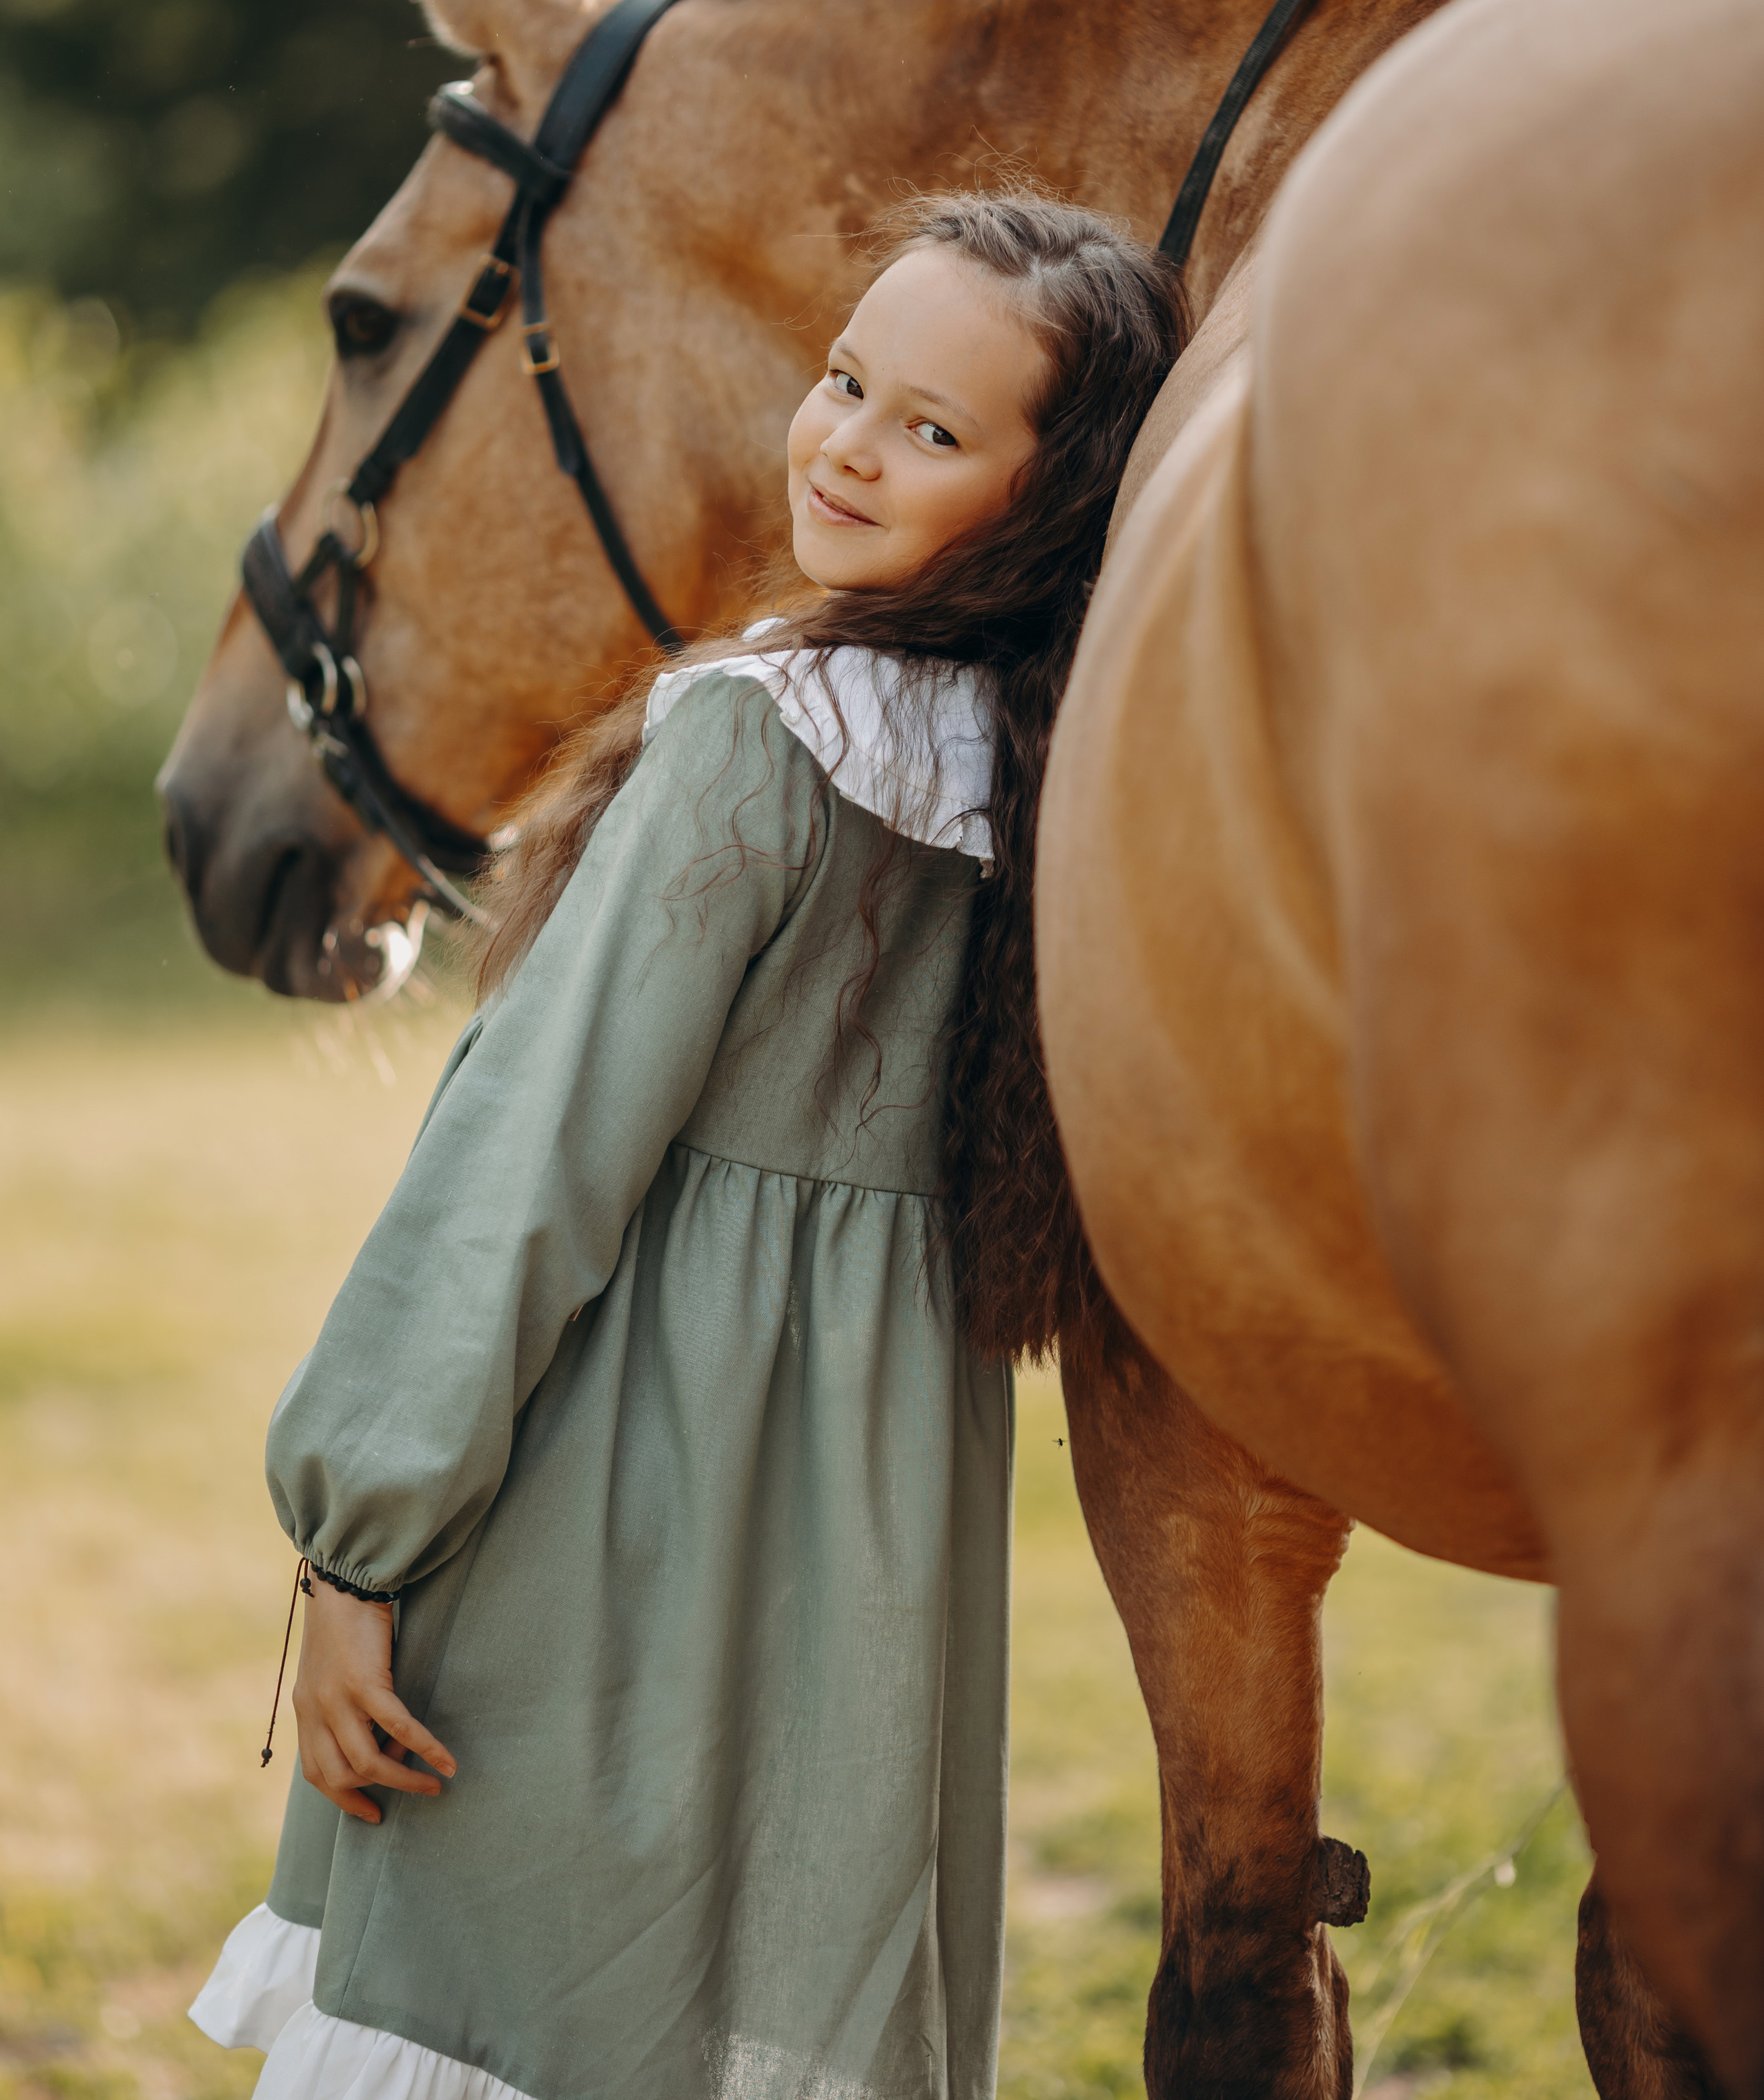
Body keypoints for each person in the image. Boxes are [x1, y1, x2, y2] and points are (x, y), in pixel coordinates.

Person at [189, 193, 1186, 2100]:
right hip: (859, 1564)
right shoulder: (1040, 777)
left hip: (599, 1519)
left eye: (935, 430)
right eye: (846, 379)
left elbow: (531, 1163)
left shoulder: (760, 740)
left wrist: (357, 1541)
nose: (848, 441)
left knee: (516, 2011)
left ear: (1050, 500)